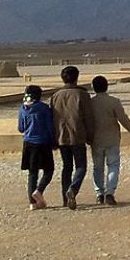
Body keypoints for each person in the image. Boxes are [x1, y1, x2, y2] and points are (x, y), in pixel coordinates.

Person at [89, 75, 130, 206]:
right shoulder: (114, 101)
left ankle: (99, 194)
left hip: (96, 140)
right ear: (106, 87)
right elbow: (123, 119)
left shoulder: (90, 103)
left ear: (93, 87)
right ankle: (110, 193)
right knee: (113, 166)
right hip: (112, 139)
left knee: (97, 168)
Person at [49, 65, 93, 209]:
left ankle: (64, 198)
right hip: (78, 135)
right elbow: (88, 117)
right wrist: (90, 136)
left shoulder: (55, 96)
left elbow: (52, 118)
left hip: (61, 136)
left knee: (66, 167)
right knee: (81, 166)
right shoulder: (82, 94)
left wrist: (53, 138)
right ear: (76, 78)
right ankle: (73, 189)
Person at [17, 84, 54, 210]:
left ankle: (32, 203)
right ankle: (39, 190)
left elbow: (21, 128)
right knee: (49, 170)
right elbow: (50, 127)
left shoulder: (22, 109)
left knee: (32, 173)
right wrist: (53, 141)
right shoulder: (44, 108)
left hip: (28, 143)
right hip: (43, 142)